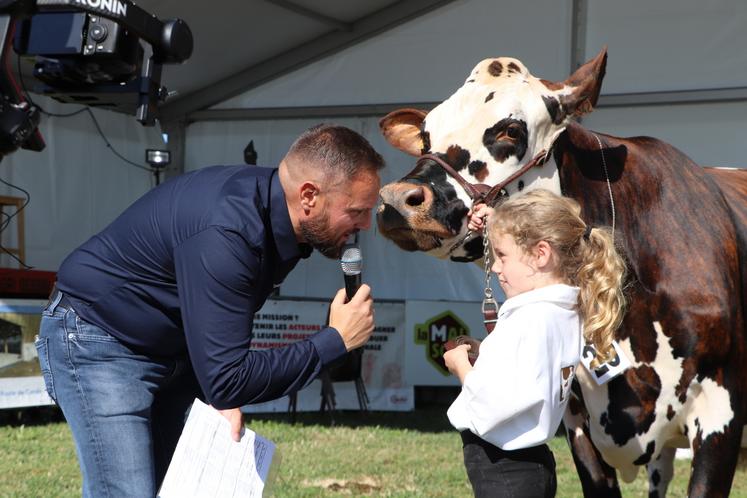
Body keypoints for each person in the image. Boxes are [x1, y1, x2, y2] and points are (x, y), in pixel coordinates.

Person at [35, 124, 384, 497]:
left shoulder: (275, 216)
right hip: (98, 339)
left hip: (172, 350)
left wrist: (218, 390)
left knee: (181, 488)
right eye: (357, 211)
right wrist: (334, 341)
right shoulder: (228, 232)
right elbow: (229, 378)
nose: (366, 224)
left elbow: (222, 356)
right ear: (309, 196)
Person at [444, 189, 627, 498]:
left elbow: (492, 407)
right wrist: (484, 351)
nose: (496, 268)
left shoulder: (528, 319)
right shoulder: (564, 310)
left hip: (503, 467)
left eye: (501, 256)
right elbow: (528, 371)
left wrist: (461, 366)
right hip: (530, 465)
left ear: (541, 254)